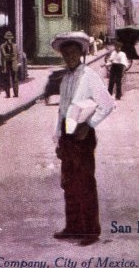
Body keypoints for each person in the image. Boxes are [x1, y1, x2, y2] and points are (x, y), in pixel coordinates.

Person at [51, 31, 114, 247]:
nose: (69, 56)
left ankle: (90, 231)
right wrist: (59, 138)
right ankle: (73, 227)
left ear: (81, 53)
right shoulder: (65, 78)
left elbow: (107, 104)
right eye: (65, 53)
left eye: (73, 52)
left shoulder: (89, 76)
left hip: (83, 134)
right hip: (68, 135)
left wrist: (90, 125)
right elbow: (61, 111)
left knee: (85, 182)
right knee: (68, 182)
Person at [0, 31, 19, 98]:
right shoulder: (2, 46)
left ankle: (16, 94)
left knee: (15, 79)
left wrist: (12, 57)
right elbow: (4, 55)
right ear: (6, 39)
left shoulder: (15, 46)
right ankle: (8, 94)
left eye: (10, 38)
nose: (9, 40)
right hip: (6, 64)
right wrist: (11, 56)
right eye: (8, 38)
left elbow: (16, 55)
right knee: (6, 80)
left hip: (13, 64)